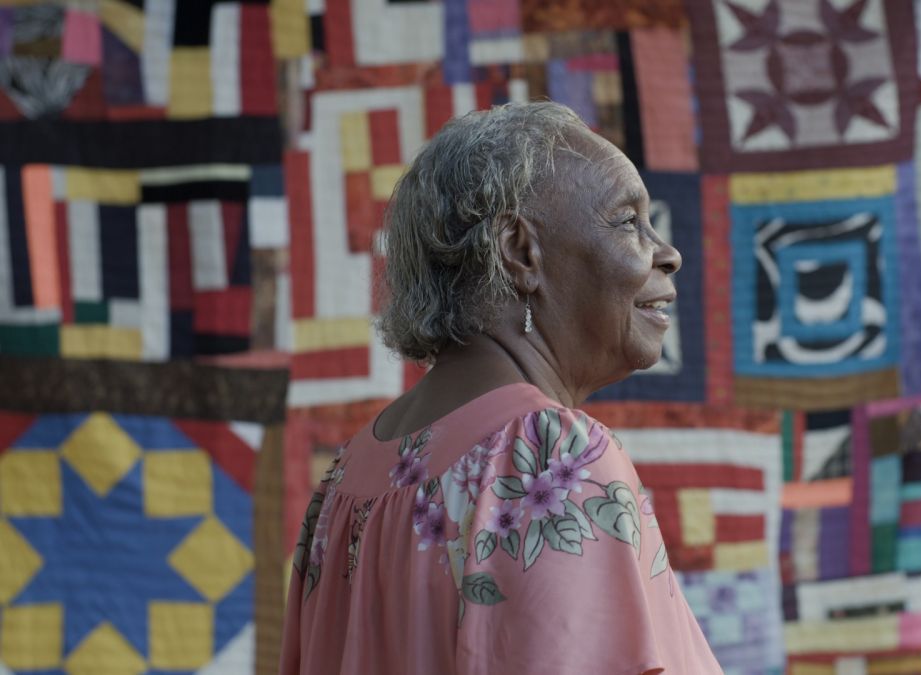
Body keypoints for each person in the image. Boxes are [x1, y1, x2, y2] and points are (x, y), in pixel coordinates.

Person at [280, 101, 723, 674]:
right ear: (520, 252)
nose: (668, 253)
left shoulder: (352, 471)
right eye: (627, 221)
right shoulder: (548, 456)